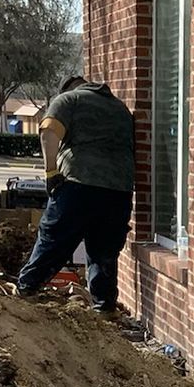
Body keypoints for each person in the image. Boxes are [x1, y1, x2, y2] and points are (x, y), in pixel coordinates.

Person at [14, 75, 135, 314]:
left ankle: (25, 289)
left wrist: (51, 172)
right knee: (103, 252)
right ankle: (104, 308)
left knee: (54, 239)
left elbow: (48, 132)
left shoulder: (68, 100)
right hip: (118, 191)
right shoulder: (119, 108)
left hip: (79, 185)